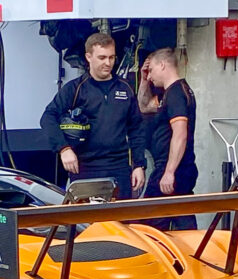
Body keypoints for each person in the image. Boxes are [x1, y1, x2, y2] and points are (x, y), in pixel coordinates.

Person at [41, 33, 145, 200]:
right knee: (88, 224)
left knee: (120, 223)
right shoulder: (75, 89)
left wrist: (139, 165)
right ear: (88, 57)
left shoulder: (125, 88)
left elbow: (137, 129)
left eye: (111, 57)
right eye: (102, 57)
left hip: (119, 168)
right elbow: (48, 117)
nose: (108, 63)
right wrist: (64, 149)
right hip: (85, 168)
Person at [137, 47, 197, 229]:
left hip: (171, 169)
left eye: (152, 70)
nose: (150, 76)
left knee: (149, 224)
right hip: (174, 169)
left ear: (162, 65)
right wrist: (143, 80)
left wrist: (169, 172)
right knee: (181, 219)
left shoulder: (177, 94)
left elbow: (180, 134)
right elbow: (144, 107)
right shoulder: (170, 94)